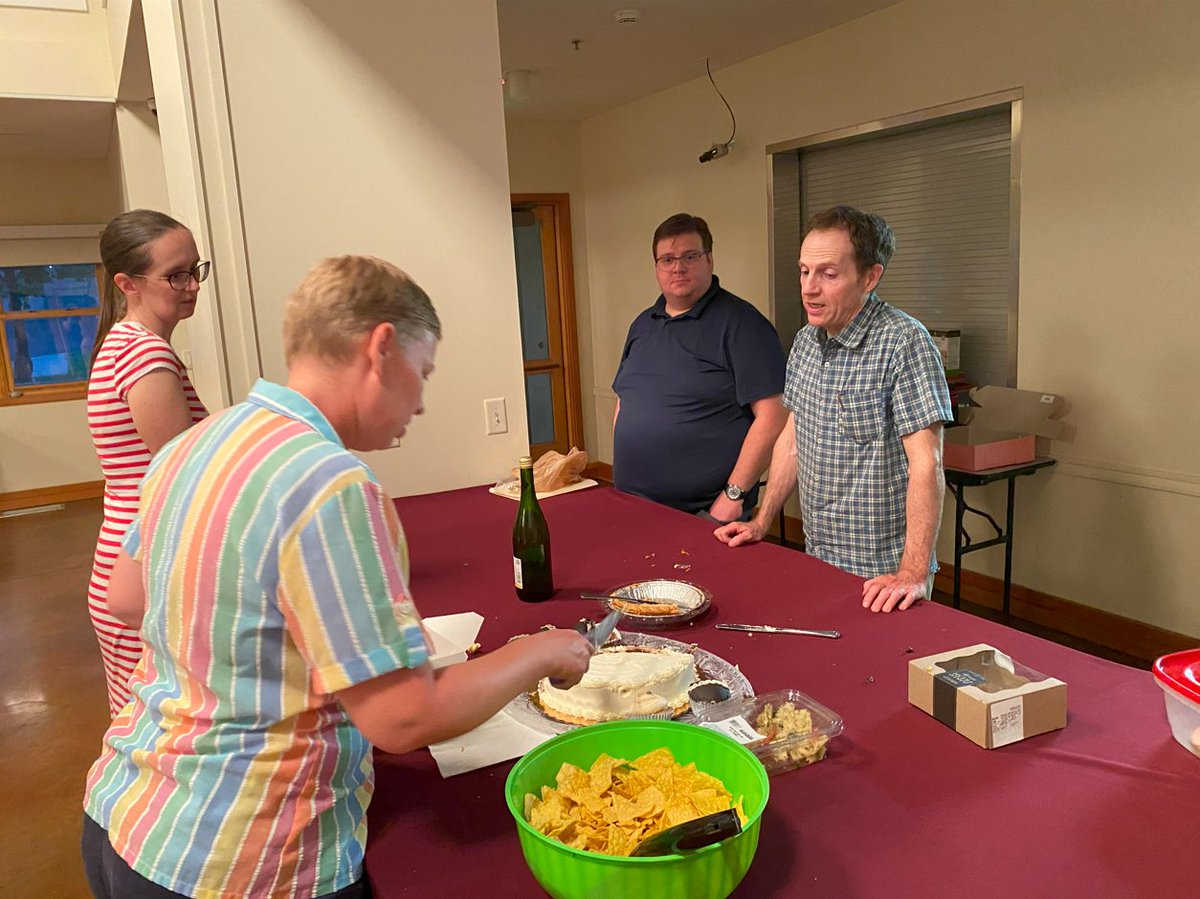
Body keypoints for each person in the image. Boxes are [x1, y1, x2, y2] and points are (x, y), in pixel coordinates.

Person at [80, 255, 593, 899]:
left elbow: (129, 599)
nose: (422, 401)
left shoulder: (195, 442)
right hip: (244, 856)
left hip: (126, 813)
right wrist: (540, 650)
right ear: (381, 348)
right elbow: (404, 719)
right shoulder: (330, 482)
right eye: (422, 371)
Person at [715, 206, 953, 613]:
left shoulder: (904, 343)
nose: (809, 288)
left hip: (883, 572)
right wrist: (761, 519)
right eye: (805, 271)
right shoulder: (806, 341)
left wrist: (912, 573)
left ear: (870, 277)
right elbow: (793, 440)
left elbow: (926, 465)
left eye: (828, 273)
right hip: (819, 554)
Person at [85, 209, 209, 716]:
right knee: (160, 727)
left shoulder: (129, 345)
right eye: (174, 274)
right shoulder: (145, 357)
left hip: (130, 564)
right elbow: (186, 476)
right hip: (145, 572)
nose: (190, 285)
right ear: (127, 283)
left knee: (143, 719)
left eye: (195, 269)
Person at [612, 213, 787, 522]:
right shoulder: (642, 325)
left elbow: (774, 416)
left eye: (690, 256)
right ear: (656, 267)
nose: (678, 267)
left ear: (709, 260)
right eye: (667, 259)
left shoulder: (743, 326)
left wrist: (735, 494)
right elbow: (624, 400)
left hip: (704, 514)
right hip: (630, 503)